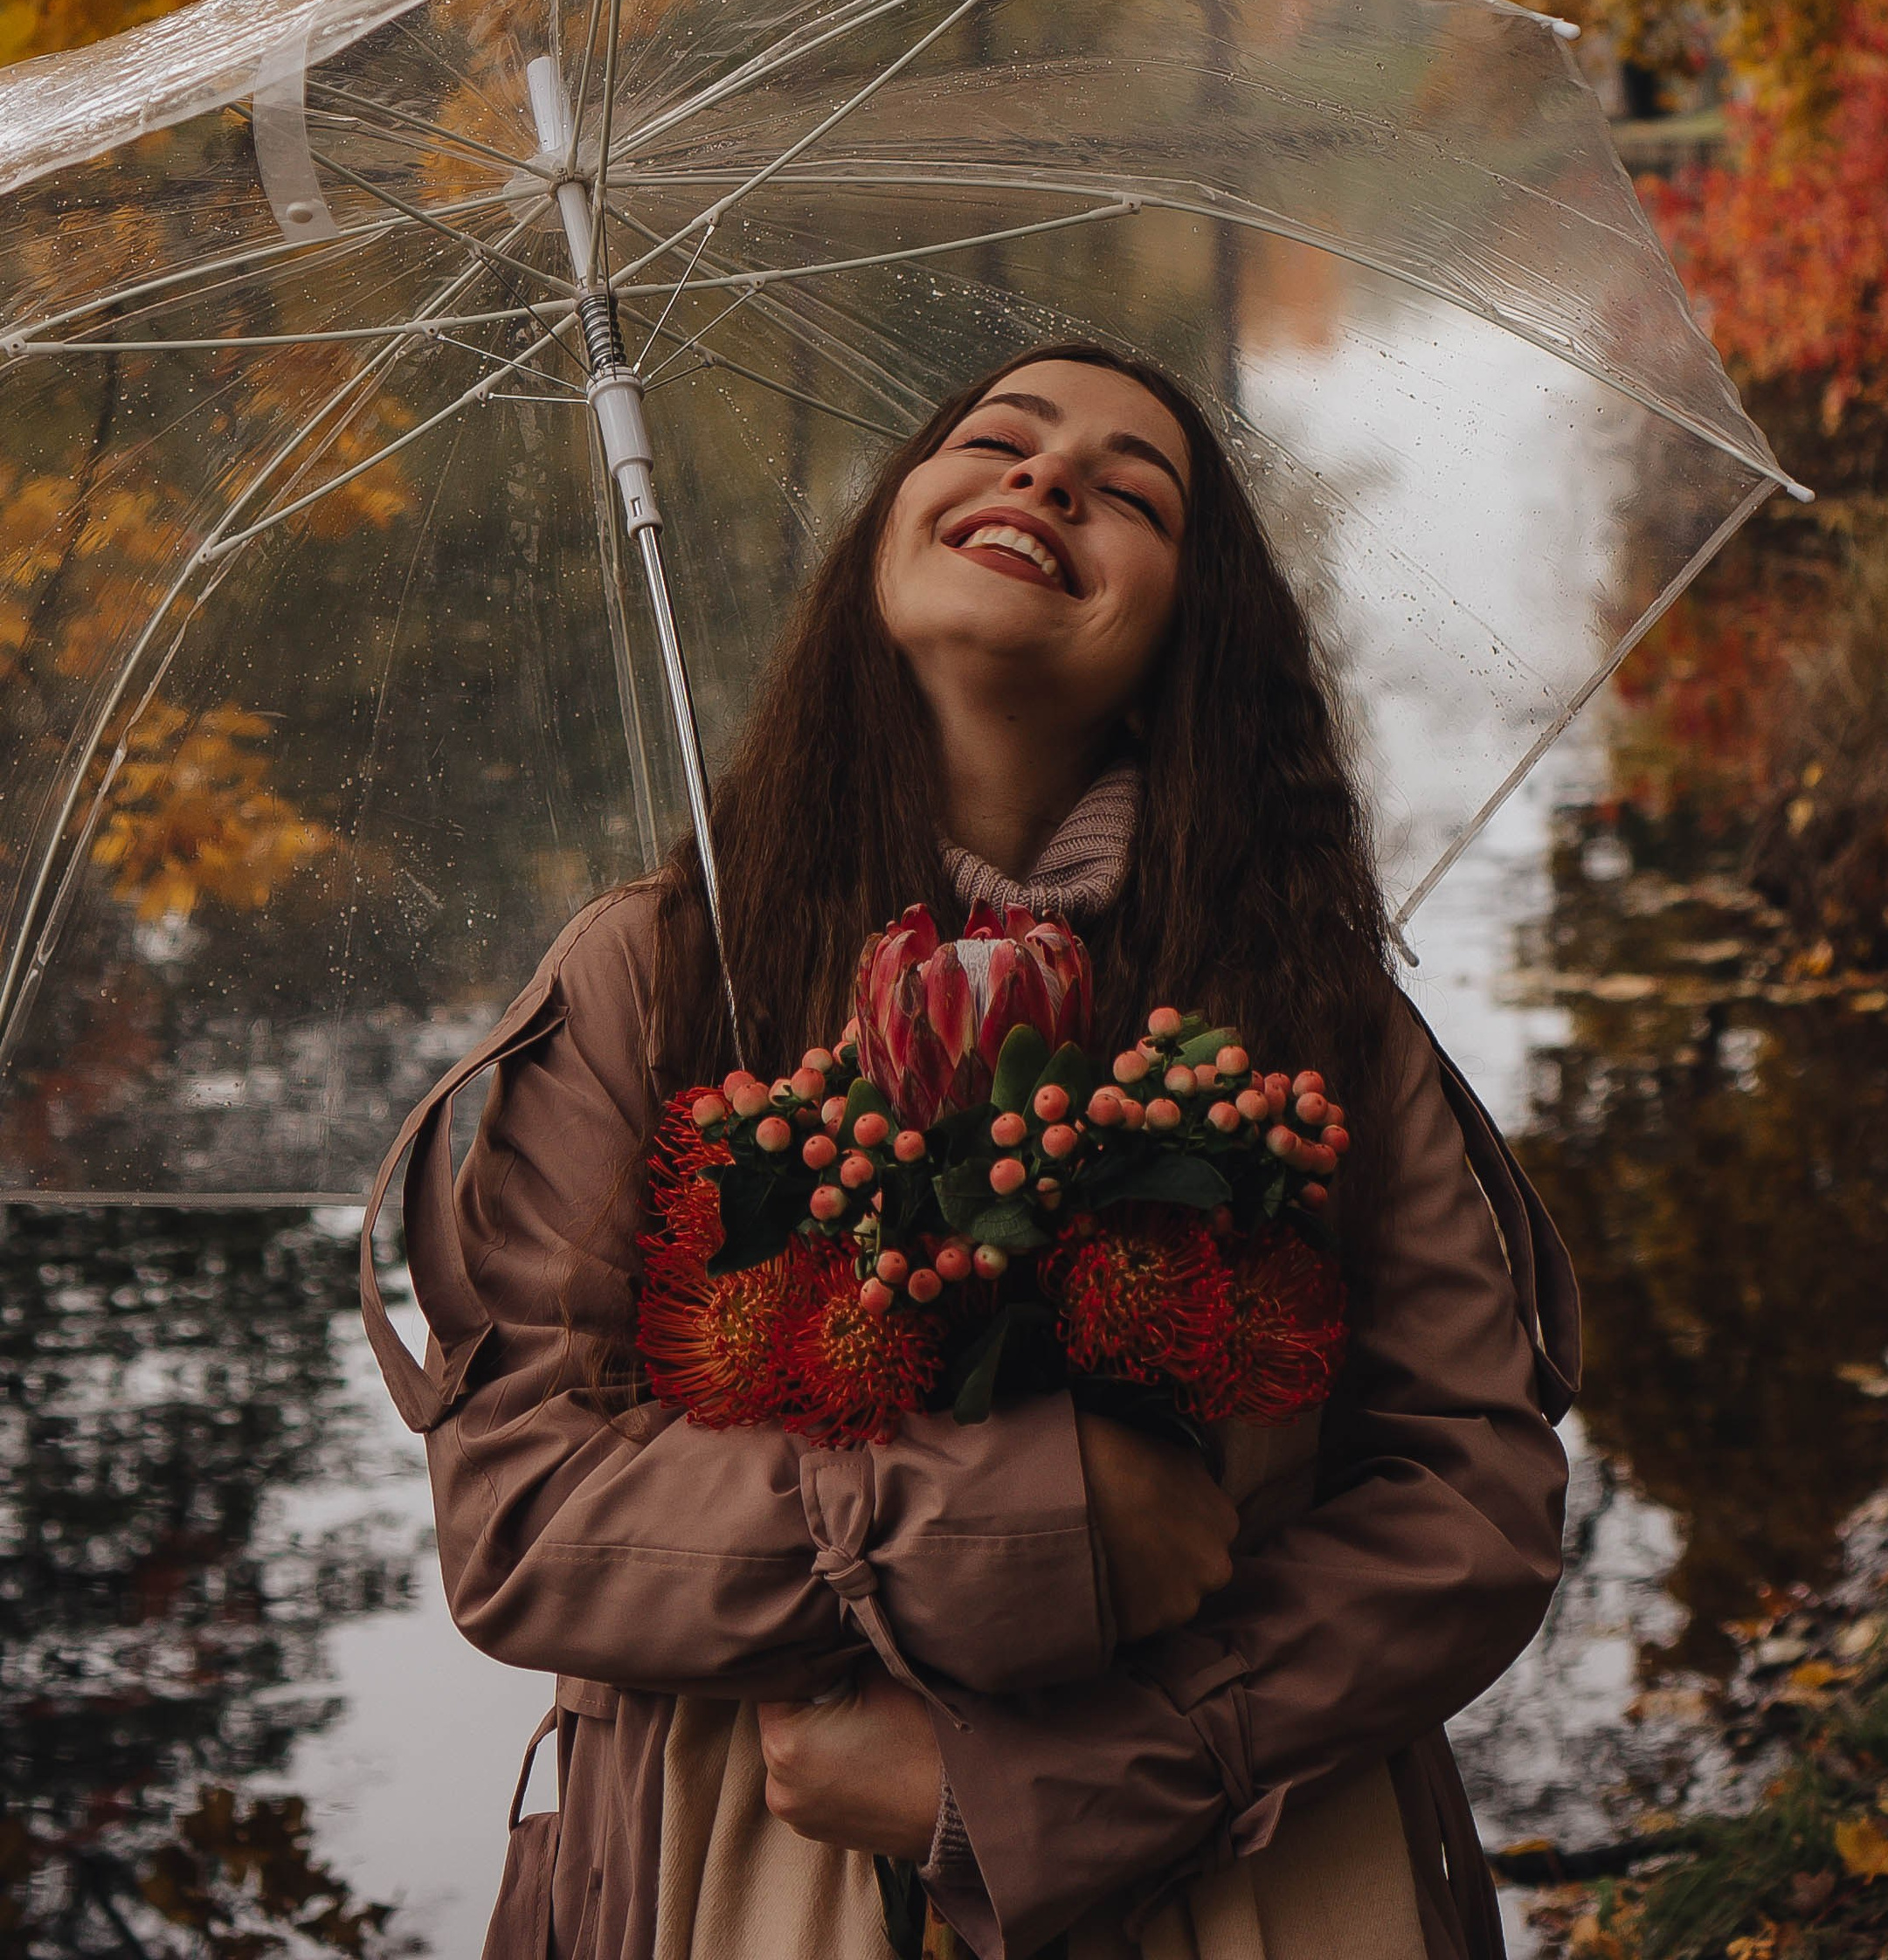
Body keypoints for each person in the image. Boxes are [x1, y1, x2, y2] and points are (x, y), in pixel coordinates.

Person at [360, 344, 1579, 1960]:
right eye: (998, 439)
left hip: (1250, 1871)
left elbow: (1470, 1503)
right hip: (760, 1868)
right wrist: (990, 1514)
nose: (1047, 478)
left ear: (1181, 642)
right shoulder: (655, 978)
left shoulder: (1310, 1012)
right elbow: (519, 1519)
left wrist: (1050, 1774)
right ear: (883, 542)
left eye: (1131, 490)